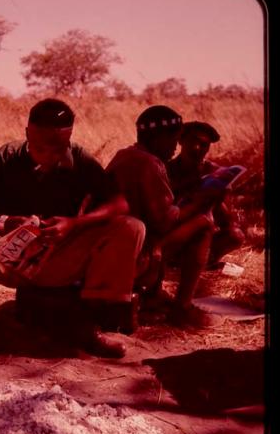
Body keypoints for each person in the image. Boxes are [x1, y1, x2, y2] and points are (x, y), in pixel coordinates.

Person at [0, 98, 145, 357]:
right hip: (4, 257)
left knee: (131, 227)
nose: (51, 156)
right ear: (27, 133)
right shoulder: (7, 157)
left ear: (70, 136)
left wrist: (74, 224)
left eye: (59, 148)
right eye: (41, 148)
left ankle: (92, 323)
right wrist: (4, 222)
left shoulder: (80, 159)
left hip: (56, 259)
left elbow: (119, 203)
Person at [105, 105, 222, 328]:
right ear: (159, 138)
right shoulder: (151, 163)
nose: (174, 148)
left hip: (112, 246)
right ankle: (182, 307)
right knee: (204, 223)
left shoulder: (125, 155)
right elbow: (164, 220)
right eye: (173, 140)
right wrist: (201, 202)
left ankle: (154, 293)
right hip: (134, 255)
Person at [166, 121, 245, 267]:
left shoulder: (216, 172)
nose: (197, 148)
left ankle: (198, 260)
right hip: (173, 232)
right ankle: (183, 260)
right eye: (193, 141)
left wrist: (219, 200)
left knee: (235, 236)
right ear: (181, 141)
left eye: (204, 145)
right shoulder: (166, 169)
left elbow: (227, 222)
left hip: (202, 233)